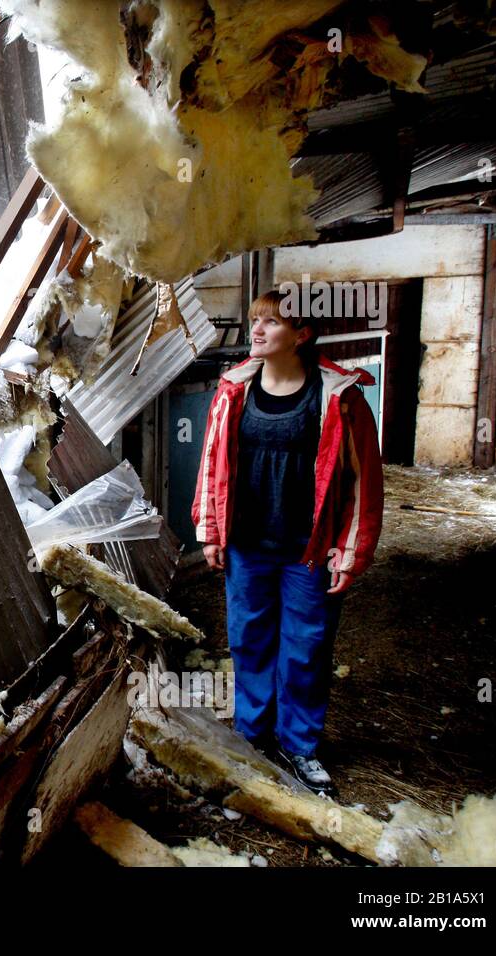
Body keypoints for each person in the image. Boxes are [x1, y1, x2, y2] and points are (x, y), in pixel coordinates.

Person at [191, 290, 383, 796]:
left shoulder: (341, 398)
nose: (256, 330)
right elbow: (212, 464)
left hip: (309, 550)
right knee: (249, 641)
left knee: (305, 647)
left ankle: (299, 746)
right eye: (255, 320)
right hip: (248, 546)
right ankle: (253, 739)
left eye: (270, 322)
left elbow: (364, 480)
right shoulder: (233, 392)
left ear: (301, 335)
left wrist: (352, 546)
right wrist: (210, 529)